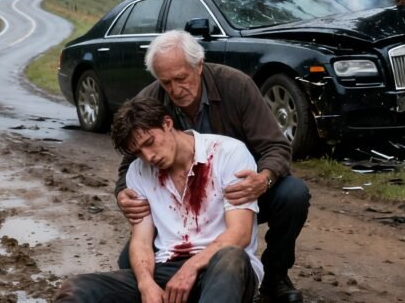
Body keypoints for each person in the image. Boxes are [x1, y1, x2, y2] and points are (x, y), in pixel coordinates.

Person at [115, 30, 309, 303]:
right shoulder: (150, 100)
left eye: (181, 78)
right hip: (182, 205)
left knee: (293, 194)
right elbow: (131, 161)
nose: (175, 90)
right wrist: (122, 192)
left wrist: (263, 179)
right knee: (129, 262)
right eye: (166, 82)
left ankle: (275, 275)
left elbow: (276, 146)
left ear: (199, 65)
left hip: (240, 192)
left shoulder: (236, 86)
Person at [56, 97, 262, 302]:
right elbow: (141, 241)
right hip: (167, 268)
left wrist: (190, 268)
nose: (149, 157)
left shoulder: (227, 152)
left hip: (221, 269)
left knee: (231, 257)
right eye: (138, 152)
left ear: (167, 123)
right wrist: (146, 285)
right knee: (78, 288)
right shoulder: (138, 171)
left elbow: (240, 233)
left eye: (149, 143)